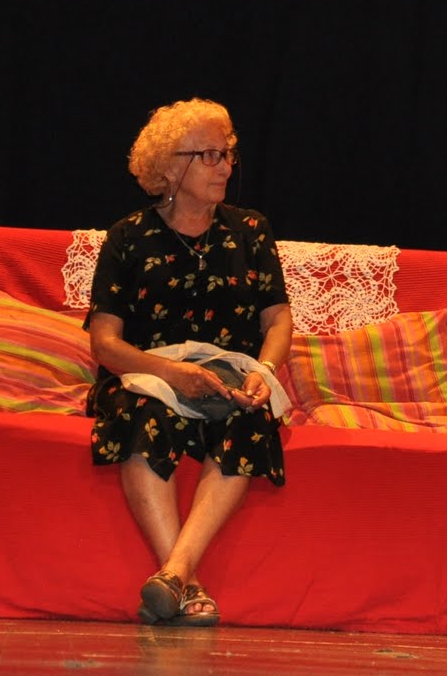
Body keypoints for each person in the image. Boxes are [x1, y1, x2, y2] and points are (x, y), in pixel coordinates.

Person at [85, 97, 292, 628]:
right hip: (151, 377)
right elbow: (105, 344)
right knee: (142, 415)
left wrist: (262, 372)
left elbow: (277, 321)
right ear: (170, 167)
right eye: (210, 155)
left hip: (229, 377)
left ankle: (173, 574)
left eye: (228, 154)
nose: (225, 166)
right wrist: (172, 373)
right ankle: (189, 582)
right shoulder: (128, 237)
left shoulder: (251, 229)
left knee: (250, 419)